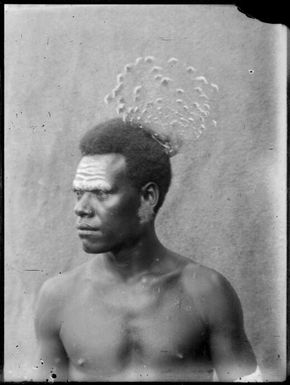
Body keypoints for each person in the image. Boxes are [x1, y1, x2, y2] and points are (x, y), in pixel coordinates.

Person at [34, 118, 262, 382]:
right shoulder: (57, 297)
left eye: (101, 193)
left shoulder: (207, 292)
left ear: (148, 197)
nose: (81, 208)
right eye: (79, 193)